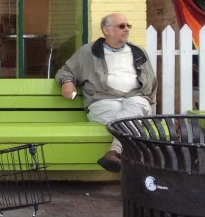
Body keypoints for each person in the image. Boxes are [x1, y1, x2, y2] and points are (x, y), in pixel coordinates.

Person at [55, 13, 157, 173]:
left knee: (136, 105)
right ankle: (138, 170)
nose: (126, 29)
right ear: (106, 30)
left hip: (135, 99)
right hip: (103, 102)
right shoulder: (88, 52)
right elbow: (65, 71)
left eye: (128, 26)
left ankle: (115, 152)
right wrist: (67, 82)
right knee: (135, 124)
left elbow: (152, 83)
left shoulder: (139, 53)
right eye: (121, 26)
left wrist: (147, 103)